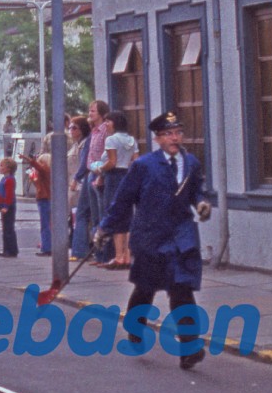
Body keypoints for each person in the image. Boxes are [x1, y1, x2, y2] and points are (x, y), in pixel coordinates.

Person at [96, 111, 212, 371]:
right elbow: (123, 200)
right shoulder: (144, 166)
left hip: (181, 237)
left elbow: (197, 192)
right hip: (150, 237)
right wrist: (105, 228)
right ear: (158, 139)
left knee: (181, 290)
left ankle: (190, 347)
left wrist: (203, 204)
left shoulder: (191, 163)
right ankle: (134, 329)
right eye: (169, 134)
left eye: (178, 132)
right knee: (145, 288)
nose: (175, 138)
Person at [97, 111, 140, 269]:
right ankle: (127, 256)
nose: (106, 124)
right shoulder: (131, 140)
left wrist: (100, 169)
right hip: (127, 176)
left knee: (114, 214)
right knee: (127, 216)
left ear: (114, 123)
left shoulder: (111, 139)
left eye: (108, 121)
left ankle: (118, 256)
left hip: (114, 178)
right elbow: (135, 162)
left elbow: (112, 162)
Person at [85, 99, 113, 264]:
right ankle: (99, 254)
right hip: (92, 173)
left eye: (93, 111)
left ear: (102, 114)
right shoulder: (94, 131)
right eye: (89, 110)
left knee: (103, 215)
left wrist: (101, 175)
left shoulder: (105, 131)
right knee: (95, 217)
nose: (90, 114)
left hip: (100, 175)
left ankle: (105, 255)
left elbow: (107, 156)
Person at [68, 116, 95, 260]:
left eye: (74, 128)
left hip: (83, 182)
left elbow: (84, 163)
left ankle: (80, 250)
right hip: (80, 182)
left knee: (82, 214)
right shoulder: (77, 144)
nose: (70, 130)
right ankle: (82, 248)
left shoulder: (85, 143)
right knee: (83, 214)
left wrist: (76, 178)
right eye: (70, 127)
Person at [20, 146, 53, 256]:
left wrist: (28, 159)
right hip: (46, 198)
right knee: (48, 224)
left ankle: (46, 247)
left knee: (45, 225)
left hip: (44, 198)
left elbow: (39, 167)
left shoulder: (45, 170)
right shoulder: (48, 172)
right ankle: (47, 245)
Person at [0, 157, 19, 258]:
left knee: (8, 229)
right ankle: (8, 249)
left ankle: (10, 250)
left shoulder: (9, 180)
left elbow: (9, 195)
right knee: (6, 229)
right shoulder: (5, 179)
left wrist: (5, 206)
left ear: (8, 168)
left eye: (1, 166)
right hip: (4, 206)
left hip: (8, 207)